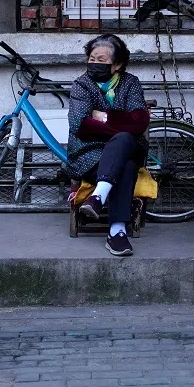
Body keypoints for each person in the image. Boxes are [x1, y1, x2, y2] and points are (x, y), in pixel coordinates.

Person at [67, 34, 149, 257]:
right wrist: (124, 125)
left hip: (129, 148)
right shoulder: (81, 85)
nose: (94, 63)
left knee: (124, 141)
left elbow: (140, 122)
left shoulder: (130, 83)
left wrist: (103, 117)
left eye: (101, 60)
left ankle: (97, 198)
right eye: (92, 59)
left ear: (117, 64)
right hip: (89, 155)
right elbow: (80, 125)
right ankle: (117, 231)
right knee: (126, 164)